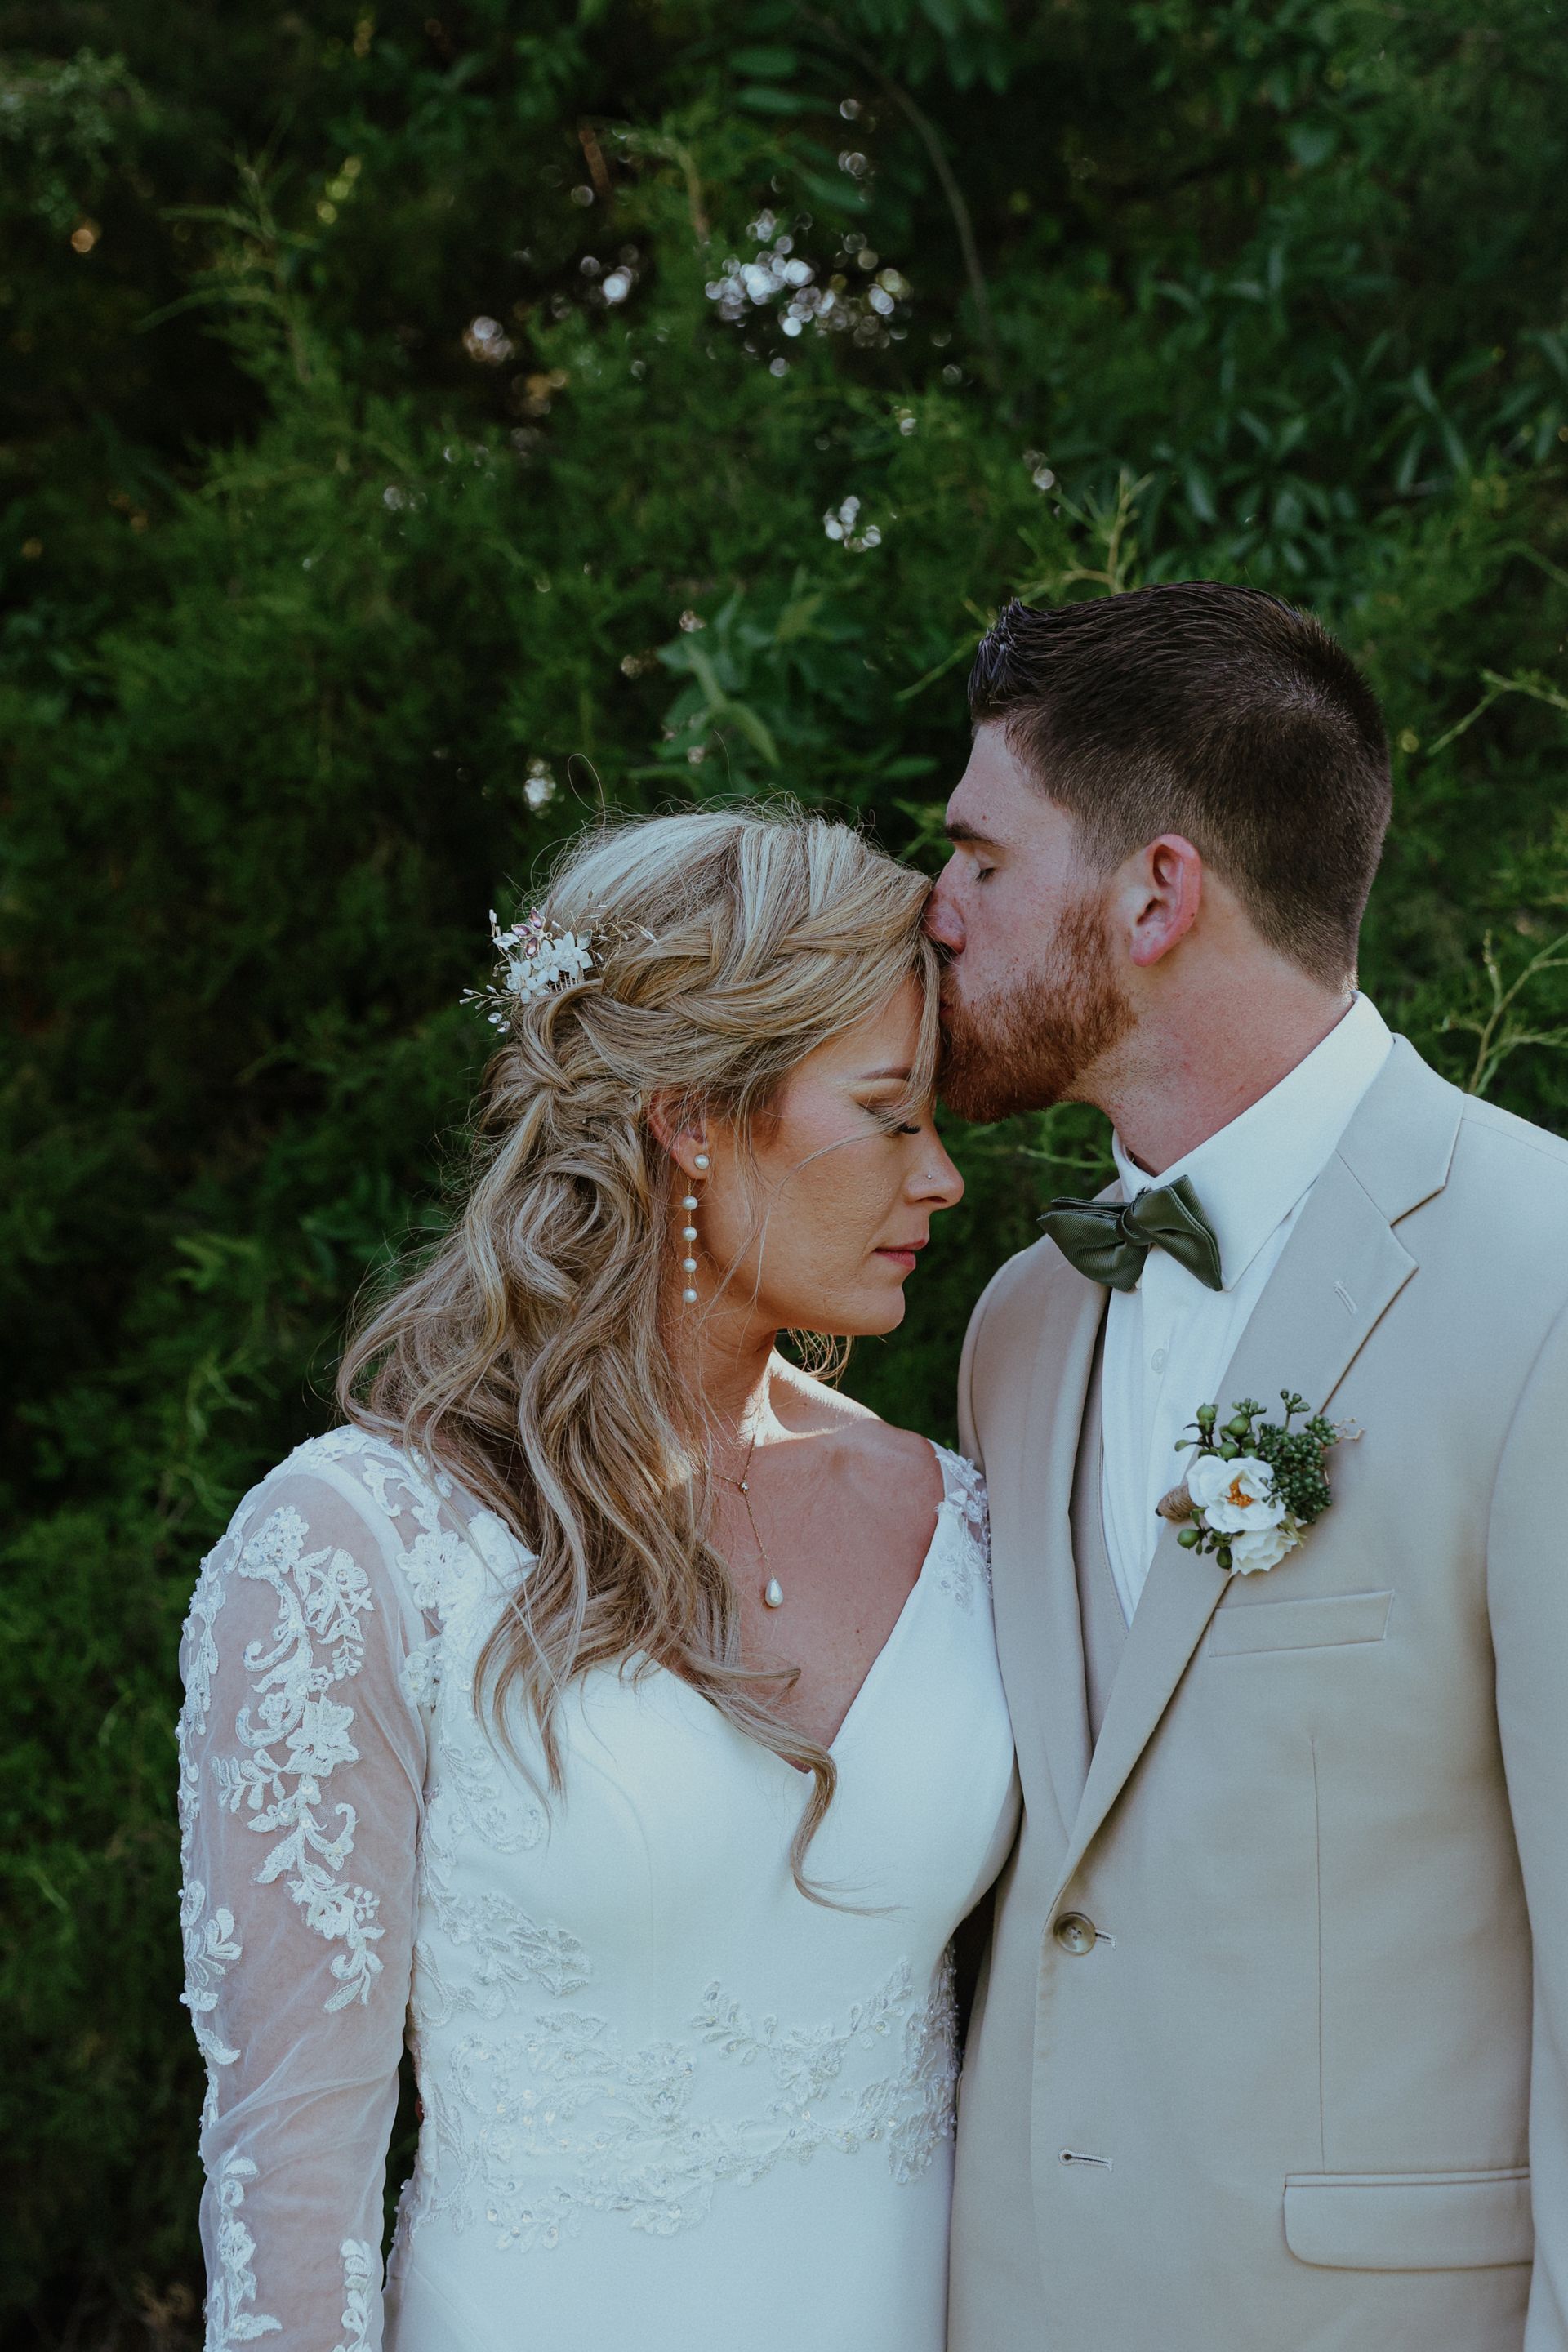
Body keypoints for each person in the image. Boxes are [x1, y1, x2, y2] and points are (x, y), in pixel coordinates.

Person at [176, 804, 1018, 2352]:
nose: (945, 1176)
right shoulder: (360, 1550)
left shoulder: (957, 1514)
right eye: (891, 1113)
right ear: (693, 1117)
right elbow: (292, 2183)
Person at [930, 581, 1568, 2351]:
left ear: (1156, 892)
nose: (939, 911)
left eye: (983, 858)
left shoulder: (1546, 1283)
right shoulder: (1019, 1328)